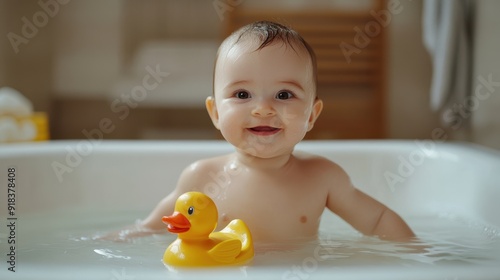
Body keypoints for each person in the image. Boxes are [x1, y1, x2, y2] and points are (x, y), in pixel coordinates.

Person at [111, 21, 415, 243]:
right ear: (215, 113)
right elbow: (152, 227)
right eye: (242, 95)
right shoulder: (201, 178)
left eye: (284, 95)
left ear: (311, 115)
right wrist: (120, 238)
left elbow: (377, 220)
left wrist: (418, 255)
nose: (263, 109)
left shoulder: (323, 178)